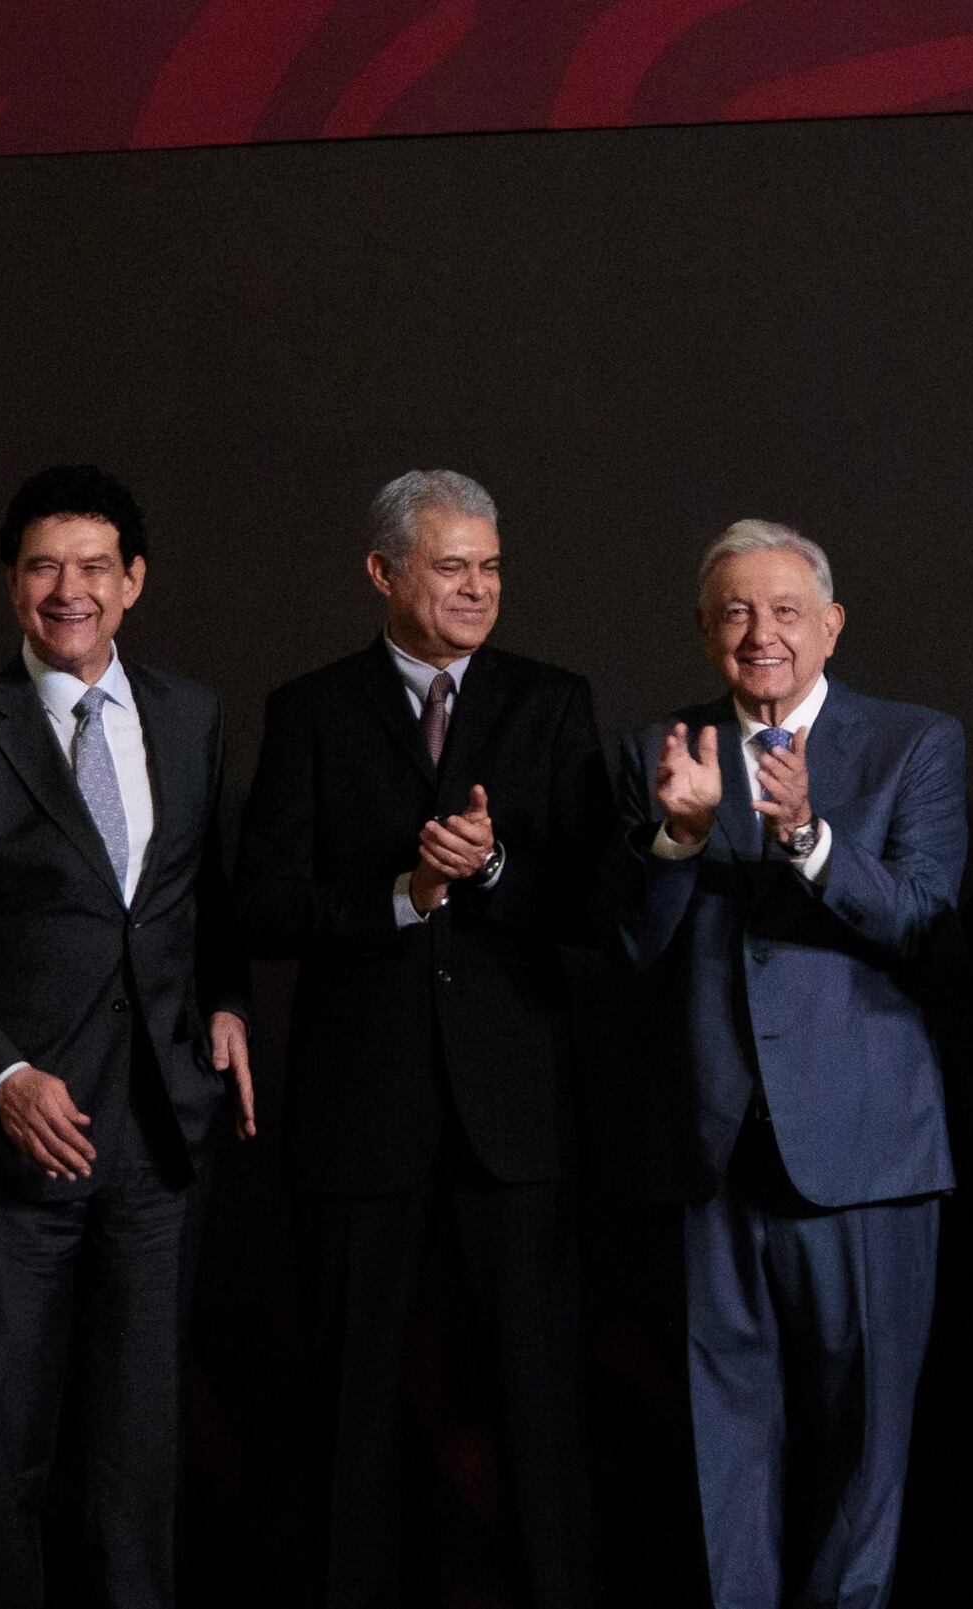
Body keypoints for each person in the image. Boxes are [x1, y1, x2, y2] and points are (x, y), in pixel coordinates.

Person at [0, 465, 250, 1609]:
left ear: (133, 582)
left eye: (93, 566)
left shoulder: (191, 718)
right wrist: (2, 1076)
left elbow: (202, 901)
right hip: (4, 1156)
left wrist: (226, 999)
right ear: (11, 586)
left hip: (155, 1149)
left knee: (137, 1466)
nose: (68, 589)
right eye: (43, 566)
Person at [235, 470, 606, 1608]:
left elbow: (593, 901)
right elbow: (264, 904)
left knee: (540, 1412)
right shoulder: (311, 709)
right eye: (453, 567)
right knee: (350, 1416)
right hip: (364, 1114)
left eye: (491, 567)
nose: (478, 588)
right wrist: (403, 893)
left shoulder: (550, 702)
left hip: (513, 1113)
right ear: (383, 571)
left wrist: (489, 869)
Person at [610, 519, 964, 1609]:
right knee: (728, 1441)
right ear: (706, 628)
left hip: (867, 1152)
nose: (760, 634)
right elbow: (627, 940)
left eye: (785, 611)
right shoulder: (659, 751)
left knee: (865, 1447)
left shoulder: (915, 742)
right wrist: (674, 838)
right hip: (712, 1151)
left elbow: (921, 918)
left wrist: (809, 836)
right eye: (734, 612)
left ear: (832, 626)